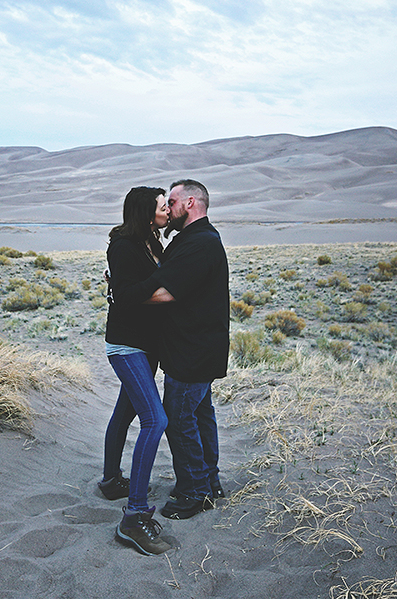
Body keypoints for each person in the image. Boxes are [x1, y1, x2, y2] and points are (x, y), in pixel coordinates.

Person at [117, 179, 230, 520]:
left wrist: (124, 295)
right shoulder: (194, 239)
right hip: (197, 348)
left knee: (179, 421)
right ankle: (209, 479)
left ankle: (194, 493)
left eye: (174, 202)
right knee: (199, 415)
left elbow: (167, 292)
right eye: (164, 204)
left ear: (192, 203)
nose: (169, 208)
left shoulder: (201, 244)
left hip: (192, 351)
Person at [100, 186, 173, 556]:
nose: (168, 210)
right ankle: (134, 515)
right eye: (163, 207)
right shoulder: (124, 246)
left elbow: (131, 291)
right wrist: (166, 281)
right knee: (155, 420)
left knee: (125, 412)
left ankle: (111, 481)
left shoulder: (152, 243)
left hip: (147, 348)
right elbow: (128, 295)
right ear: (147, 213)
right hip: (127, 346)